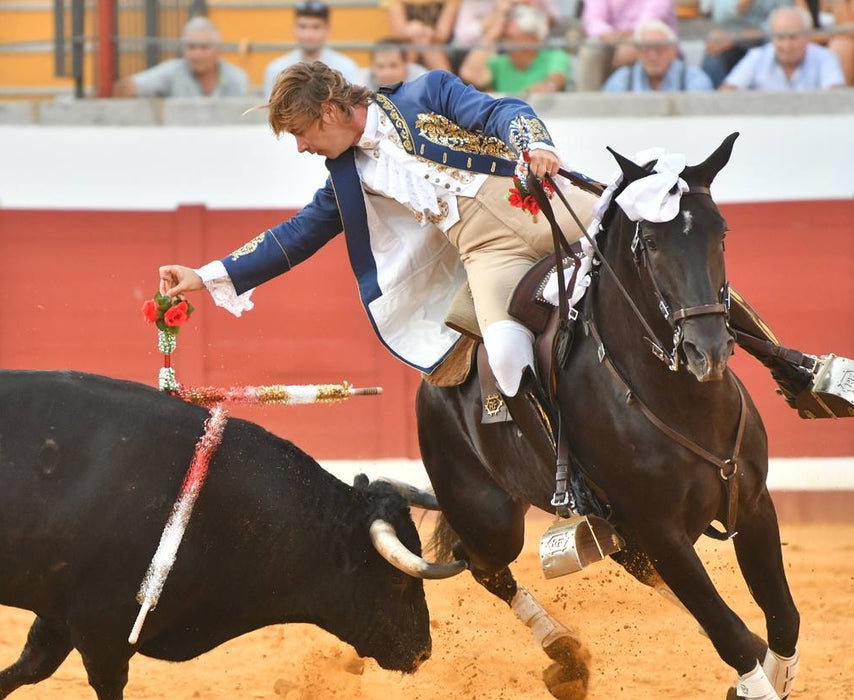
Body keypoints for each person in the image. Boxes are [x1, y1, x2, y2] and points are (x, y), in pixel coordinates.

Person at [158, 61, 597, 450]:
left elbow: (497, 111)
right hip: (487, 252)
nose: (300, 147)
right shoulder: (346, 177)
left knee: (641, 236)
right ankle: (569, 466)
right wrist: (206, 274)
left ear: (329, 111)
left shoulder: (425, 93)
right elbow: (297, 235)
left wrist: (534, 143)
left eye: (300, 132)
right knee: (502, 351)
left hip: (544, 200)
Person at [113, 17, 249, 98]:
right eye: (191, 47)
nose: (197, 54)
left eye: (204, 47)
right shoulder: (171, 71)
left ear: (219, 50)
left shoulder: (237, 78)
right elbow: (125, 87)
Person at [720, 5, 847, 88]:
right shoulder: (756, 57)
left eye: (793, 37)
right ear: (772, 38)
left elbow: (836, 96)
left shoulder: (825, 58)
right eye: (780, 37)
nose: (787, 45)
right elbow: (728, 91)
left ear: (808, 37)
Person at [460, 5, 571, 94]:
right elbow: (469, 73)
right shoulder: (499, 63)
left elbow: (557, 80)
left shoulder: (555, 56)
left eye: (511, 38)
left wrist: (548, 87)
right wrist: (491, 35)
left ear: (533, 39)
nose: (504, 38)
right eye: (504, 36)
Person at [263, 1, 363, 96]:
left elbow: (351, 109)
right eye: (303, 27)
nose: (309, 35)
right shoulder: (277, 69)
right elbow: (272, 111)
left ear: (328, 29)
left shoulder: (346, 67)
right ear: (294, 28)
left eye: (316, 27)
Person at [575, 0, 678, 91]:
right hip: (612, 43)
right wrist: (619, 41)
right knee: (591, 49)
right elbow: (593, 21)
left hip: (649, 41)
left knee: (651, 43)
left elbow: (652, 16)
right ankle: (588, 107)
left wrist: (632, 42)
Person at [699, 0, 792, 86]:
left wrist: (737, 38)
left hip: (765, 42)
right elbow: (721, 15)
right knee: (713, 58)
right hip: (728, 40)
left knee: (782, 50)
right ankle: (713, 100)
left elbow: (783, 21)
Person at [602, 19, 715, 90]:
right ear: (638, 52)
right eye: (646, 49)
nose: (652, 56)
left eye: (659, 49)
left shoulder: (694, 79)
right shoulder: (622, 79)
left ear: (673, 51)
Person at [382, 0, 461, 71]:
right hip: (409, 45)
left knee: (429, 47)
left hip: (439, 47)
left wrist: (425, 33)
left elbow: (442, 35)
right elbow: (399, 33)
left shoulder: (450, 2)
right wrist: (414, 31)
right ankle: (448, 84)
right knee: (412, 46)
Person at [365, 36, 430, 88]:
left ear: (406, 63)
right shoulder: (363, 79)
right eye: (380, 67)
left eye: (393, 65)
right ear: (372, 67)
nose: (387, 73)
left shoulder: (422, 79)